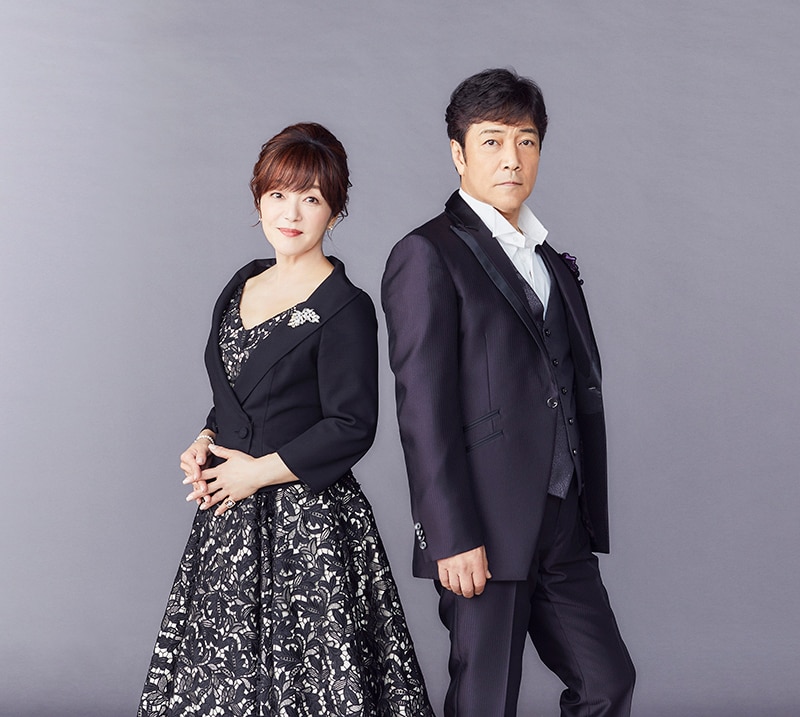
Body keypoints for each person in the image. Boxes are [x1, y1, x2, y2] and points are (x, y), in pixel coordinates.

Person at [138, 122, 433, 717]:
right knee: (219, 685)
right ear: (259, 201)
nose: (291, 213)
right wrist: (205, 438)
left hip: (310, 521)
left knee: (315, 687)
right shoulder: (240, 285)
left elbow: (352, 424)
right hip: (228, 517)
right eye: (277, 194)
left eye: (311, 198)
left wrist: (255, 473)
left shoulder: (344, 306)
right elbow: (234, 395)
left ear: (335, 211)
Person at [381, 69, 636, 717]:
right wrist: (449, 534)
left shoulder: (551, 261)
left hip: (562, 520)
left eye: (526, 141)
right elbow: (422, 409)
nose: (511, 158)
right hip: (482, 529)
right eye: (492, 141)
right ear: (458, 153)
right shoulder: (426, 254)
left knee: (608, 684)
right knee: (487, 702)